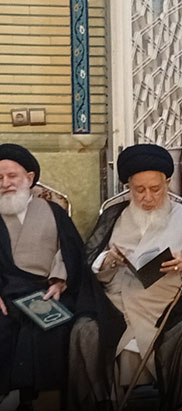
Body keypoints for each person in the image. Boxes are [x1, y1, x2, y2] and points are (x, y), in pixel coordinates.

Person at [68, 144, 182, 411]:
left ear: (168, 183)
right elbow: (91, 261)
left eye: (155, 189)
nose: (148, 197)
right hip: (118, 307)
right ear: (128, 186)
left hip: (171, 308)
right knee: (84, 329)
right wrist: (108, 260)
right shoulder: (114, 215)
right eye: (139, 190)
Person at [0, 144, 86, 411]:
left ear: (29, 177)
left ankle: (41, 402)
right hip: (5, 292)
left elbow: (69, 251)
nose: (5, 183)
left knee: (54, 327)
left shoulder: (53, 211)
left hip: (46, 291)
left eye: (12, 176)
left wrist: (59, 279)